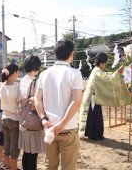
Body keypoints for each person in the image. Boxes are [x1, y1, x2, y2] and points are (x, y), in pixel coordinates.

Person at [35, 39, 83, 170]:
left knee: (50, 166)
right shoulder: (75, 73)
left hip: (49, 127)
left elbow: (37, 99)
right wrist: (62, 124)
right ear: (71, 54)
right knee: (68, 166)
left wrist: (43, 119)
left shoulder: (44, 74)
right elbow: (76, 102)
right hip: (68, 128)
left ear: (55, 54)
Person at [79, 52, 131, 139]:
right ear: (102, 63)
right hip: (92, 98)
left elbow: (108, 76)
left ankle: (91, 134)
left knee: (93, 116)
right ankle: (95, 135)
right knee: (95, 117)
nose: (105, 66)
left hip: (91, 96)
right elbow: (110, 78)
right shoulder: (97, 72)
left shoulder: (95, 70)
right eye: (104, 63)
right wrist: (121, 69)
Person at [18, 55, 45, 170]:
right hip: (33, 120)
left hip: (23, 119)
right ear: (35, 68)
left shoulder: (22, 80)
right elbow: (36, 101)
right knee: (33, 153)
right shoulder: (35, 81)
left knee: (26, 151)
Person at [0, 63, 20, 170]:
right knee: (14, 147)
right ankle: (13, 168)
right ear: (14, 73)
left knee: (6, 144)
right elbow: (20, 103)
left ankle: (7, 166)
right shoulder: (16, 87)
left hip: (4, 118)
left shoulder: (1, 86)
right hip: (14, 120)